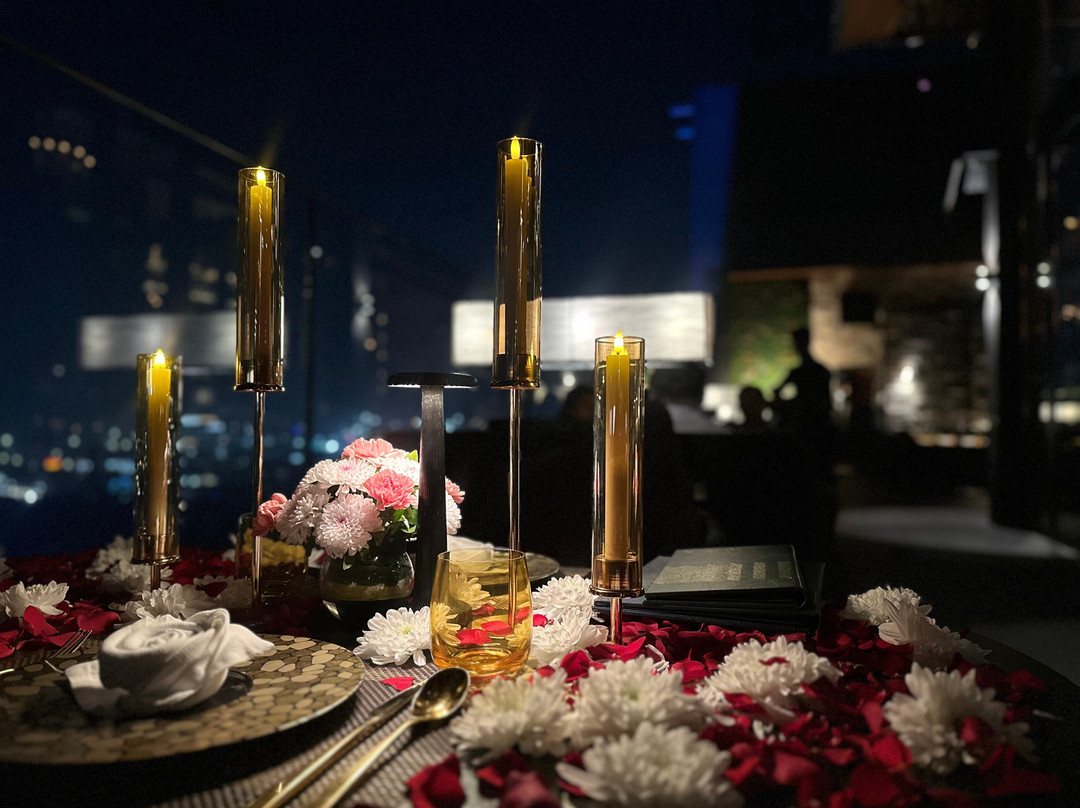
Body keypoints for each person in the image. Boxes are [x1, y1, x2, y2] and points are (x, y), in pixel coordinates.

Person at [773, 327, 832, 442]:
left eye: (798, 342)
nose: (796, 346)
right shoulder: (819, 370)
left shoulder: (803, 371)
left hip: (807, 422)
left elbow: (778, 392)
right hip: (817, 421)